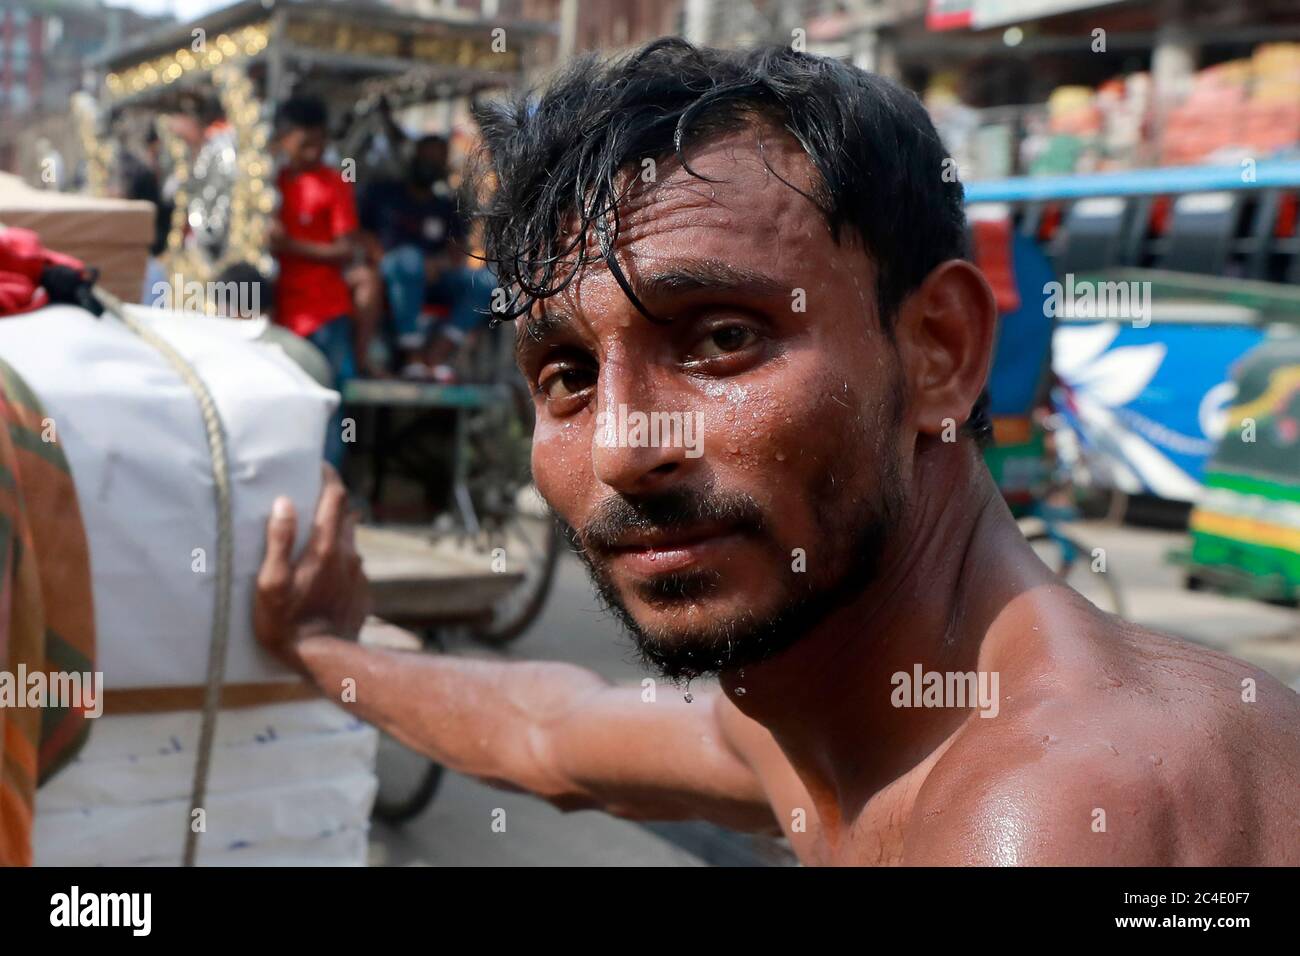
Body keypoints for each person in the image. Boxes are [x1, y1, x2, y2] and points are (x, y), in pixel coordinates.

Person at [252, 41, 1300, 865]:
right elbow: (550, 731)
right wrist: (322, 648)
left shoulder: (1055, 808)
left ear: (938, 351)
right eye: (566, 372)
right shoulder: (848, 713)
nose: (623, 448)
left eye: (720, 339)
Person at [270, 95, 360, 468]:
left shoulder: (334, 182)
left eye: (320, 141)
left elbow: (346, 250)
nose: (315, 150)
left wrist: (289, 246)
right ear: (283, 139)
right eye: (306, 142)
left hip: (326, 315)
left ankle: (328, 489)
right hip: (282, 317)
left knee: (329, 405)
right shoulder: (267, 186)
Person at [358, 134, 466, 378]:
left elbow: (458, 250)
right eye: (427, 157)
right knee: (409, 259)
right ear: (414, 157)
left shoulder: (446, 206)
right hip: (389, 270)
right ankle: (412, 354)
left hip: (433, 277)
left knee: (485, 283)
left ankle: (436, 355)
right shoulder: (383, 194)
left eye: (438, 159)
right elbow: (361, 234)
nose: (431, 164)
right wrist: (381, 257)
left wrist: (438, 264)